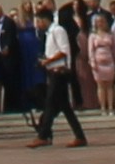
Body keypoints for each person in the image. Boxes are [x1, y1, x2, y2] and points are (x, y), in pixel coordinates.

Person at [26, 9, 85, 146]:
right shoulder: (49, 33)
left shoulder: (58, 30)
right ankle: (79, 135)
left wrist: (49, 61)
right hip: (52, 71)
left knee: (50, 103)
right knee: (65, 107)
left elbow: (63, 51)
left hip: (60, 72)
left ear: (45, 19)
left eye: (39, 21)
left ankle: (43, 135)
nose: (38, 25)